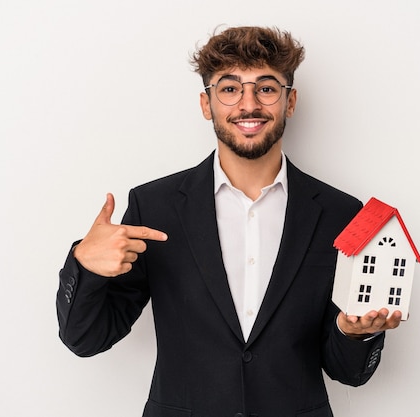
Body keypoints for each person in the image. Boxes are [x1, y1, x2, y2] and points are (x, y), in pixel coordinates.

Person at [56, 26, 402, 417]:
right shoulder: (155, 207)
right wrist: (85, 263)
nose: (248, 104)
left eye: (267, 88)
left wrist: (354, 332)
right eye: (230, 88)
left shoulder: (341, 214)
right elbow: (85, 339)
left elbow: (348, 372)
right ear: (207, 104)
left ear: (290, 102)